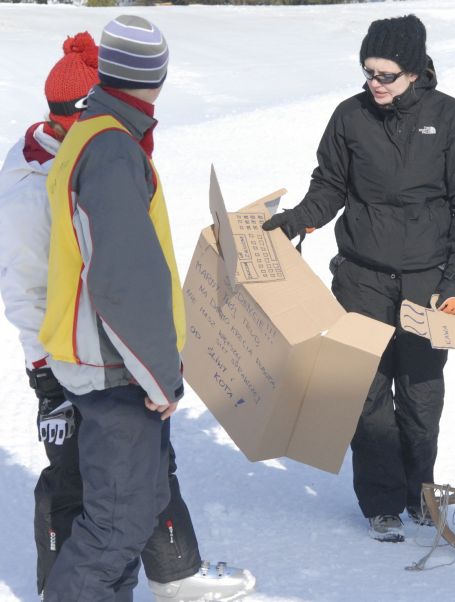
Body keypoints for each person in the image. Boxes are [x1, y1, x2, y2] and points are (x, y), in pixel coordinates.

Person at [0, 19, 253, 601]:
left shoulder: (98, 137)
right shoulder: (110, 148)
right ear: (157, 79)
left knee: (131, 508)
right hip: (111, 366)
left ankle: (166, 577)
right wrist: (159, 374)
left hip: (102, 358)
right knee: (114, 525)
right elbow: (121, 280)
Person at [263, 14, 455, 543]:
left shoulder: (450, 118)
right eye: (368, 72)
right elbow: (330, 187)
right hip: (360, 280)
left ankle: (419, 493)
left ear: (413, 71)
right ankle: (382, 503)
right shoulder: (350, 117)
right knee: (365, 393)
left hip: (426, 286)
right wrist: (295, 221)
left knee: (421, 394)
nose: (374, 84)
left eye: (385, 74)